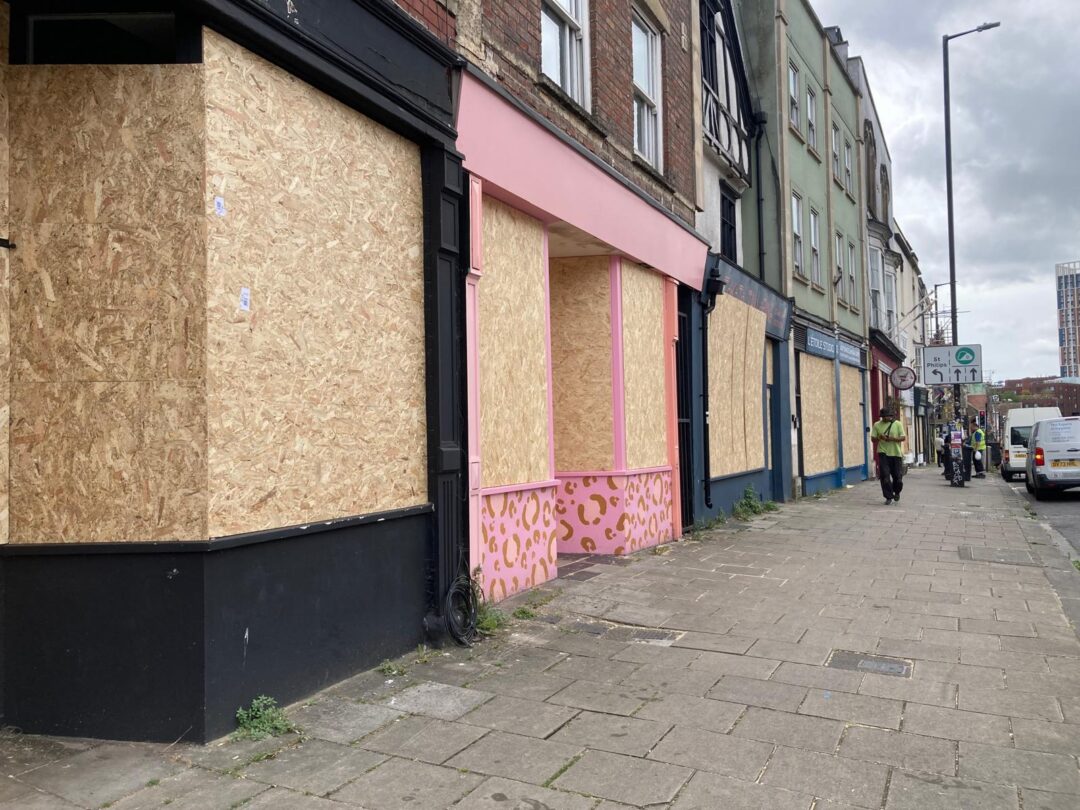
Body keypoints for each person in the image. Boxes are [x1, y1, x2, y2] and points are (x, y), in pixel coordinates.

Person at [871, 407, 907, 505]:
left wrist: (892, 438)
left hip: (896, 454)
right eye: (887, 416)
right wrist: (879, 437)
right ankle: (888, 496)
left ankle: (897, 492)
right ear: (882, 417)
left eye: (891, 416)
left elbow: (903, 438)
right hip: (883, 453)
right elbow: (873, 439)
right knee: (885, 476)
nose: (889, 417)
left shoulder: (897, 424)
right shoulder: (877, 425)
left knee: (898, 477)